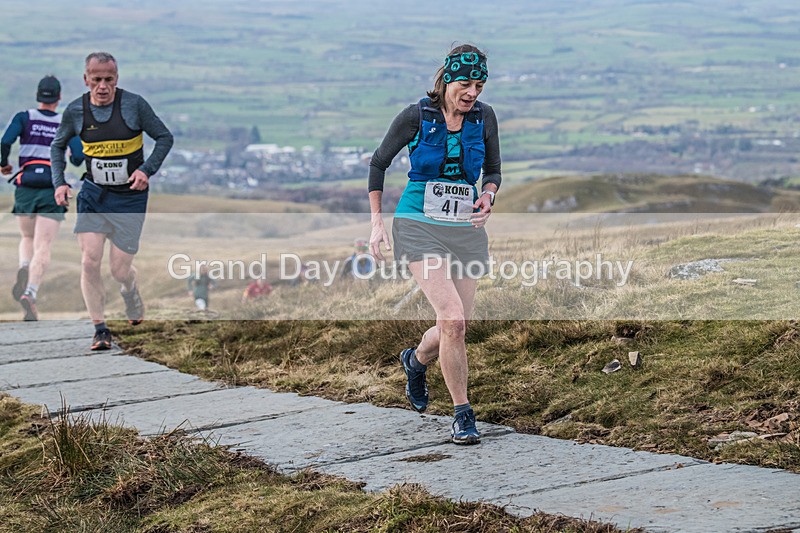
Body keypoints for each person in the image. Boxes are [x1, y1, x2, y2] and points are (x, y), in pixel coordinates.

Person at [368, 44, 501, 445]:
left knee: (456, 326)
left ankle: (416, 360)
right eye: (465, 84)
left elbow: (493, 171)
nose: (472, 93)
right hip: (418, 224)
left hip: (465, 229)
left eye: (479, 86)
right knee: (453, 320)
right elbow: (378, 163)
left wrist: (488, 195)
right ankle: (463, 414)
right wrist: (376, 223)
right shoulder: (416, 116)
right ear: (446, 80)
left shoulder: (484, 117)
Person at [50, 52, 173, 350]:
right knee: (89, 261)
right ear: (86, 79)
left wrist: (146, 170)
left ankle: (130, 290)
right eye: (96, 80)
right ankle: (100, 329)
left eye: (109, 79)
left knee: (119, 270)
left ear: (117, 79)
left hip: (130, 198)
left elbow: (164, 137)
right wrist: (60, 183)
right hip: (94, 194)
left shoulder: (134, 105)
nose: (103, 86)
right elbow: (57, 146)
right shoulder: (76, 110)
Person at [1, 75, 84, 321]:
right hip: (52, 187)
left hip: (26, 184)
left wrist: (3, 164)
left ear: (38, 95)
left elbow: (4, 141)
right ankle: (31, 292)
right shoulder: (65, 122)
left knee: (27, 237)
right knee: (44, 245)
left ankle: (24, 266)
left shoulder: (24, 117)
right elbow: (78, 157)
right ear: (59, 97)